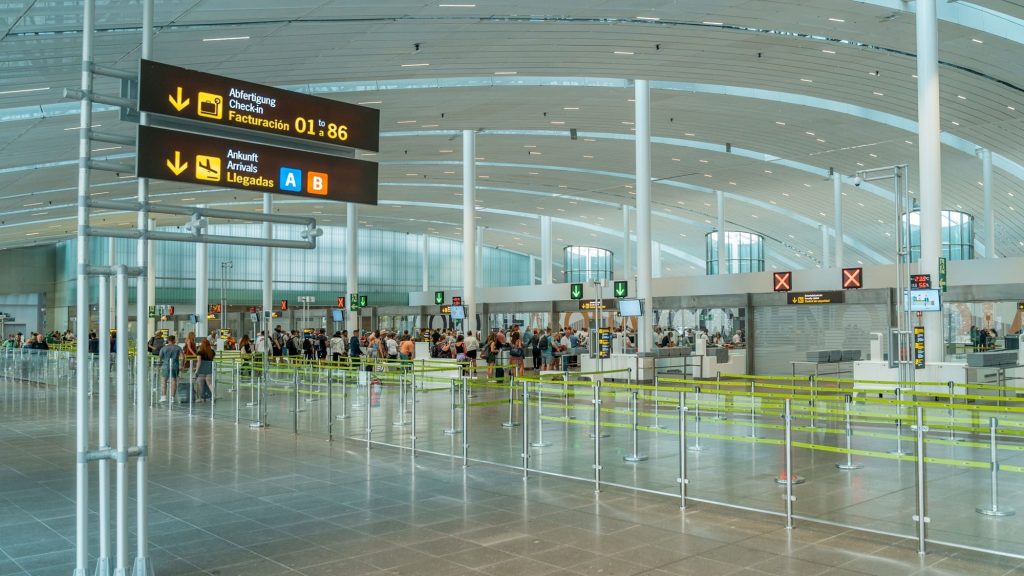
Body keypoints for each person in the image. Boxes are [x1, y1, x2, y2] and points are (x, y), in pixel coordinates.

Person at [158, 335, 183, 403]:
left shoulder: (163, 348)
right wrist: (181, 365)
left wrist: (160, 365)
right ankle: (172, 398)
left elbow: (160, 358)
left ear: (168, 340)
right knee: (173, 381)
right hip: (175, 365)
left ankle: (163, 397)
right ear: (174, 340)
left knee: (164, 381)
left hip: (165, 365)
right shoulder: (178, 348)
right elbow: (182, 357)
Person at [192, 337, 216, 403]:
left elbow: (199, 362)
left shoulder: (200, 352)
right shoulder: (212, 352)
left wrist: (196, 371)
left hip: (202, 369)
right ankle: (213, 395)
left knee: (200, 384)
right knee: (210, 383)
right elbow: (212, 360)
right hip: (209, 368)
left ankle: (199, 398)